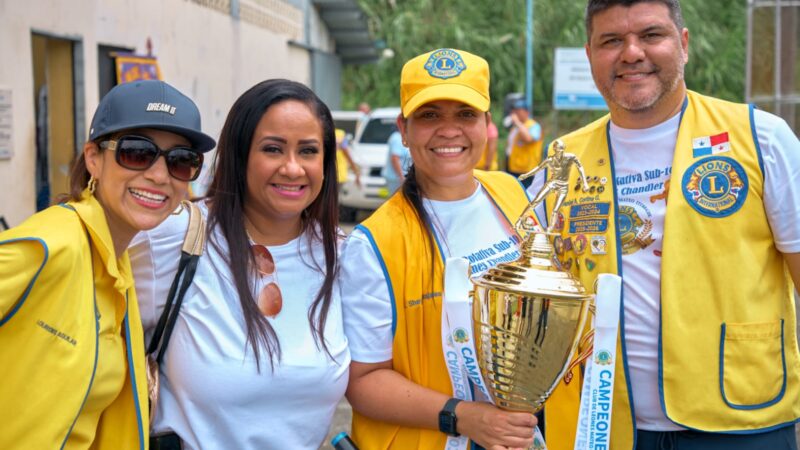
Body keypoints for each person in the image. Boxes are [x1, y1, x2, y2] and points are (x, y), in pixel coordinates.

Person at [532, 1, 800, 449]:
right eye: (611, 41)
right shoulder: (561, 163)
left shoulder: (761, 138)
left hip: (742, 419)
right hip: (603, 427)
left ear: (684, 44)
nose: (631, 53)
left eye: (651, 35)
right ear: (589, 54)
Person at [128, 79, 350, 449]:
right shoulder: (174, 238)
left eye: (308, 151)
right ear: (239, 154)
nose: (293, 168)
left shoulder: (343, 258)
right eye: (273, 149)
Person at [341, 48, 538, 450]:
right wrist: (463, 417)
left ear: (487, 124)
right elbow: (362, 381)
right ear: (404, 128)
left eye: (465, 114)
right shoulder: (375, 242)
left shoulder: (513, 193)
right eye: (430, 115)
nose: (449, 130)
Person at [0, 79, 214, 448]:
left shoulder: (116, 264)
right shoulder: (53, 245)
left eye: (181, 161)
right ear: (94, 158)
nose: (159, 176)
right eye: (136, 152)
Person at [505, 99, 544, 186]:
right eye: (514, 111)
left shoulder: (534, 125)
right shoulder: (515, 127)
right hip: (513, 168)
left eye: (518, 110)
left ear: (526, 112)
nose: (515, 113)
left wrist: (517, 123)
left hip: (527, 170)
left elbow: (528, 138)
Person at [381, 129, 411, 194]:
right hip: (396, 179)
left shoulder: (402, 137)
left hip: (398, 178)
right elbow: (395, 158)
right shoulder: (397, 138)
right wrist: (401, 177)